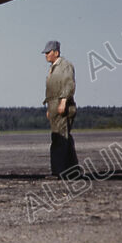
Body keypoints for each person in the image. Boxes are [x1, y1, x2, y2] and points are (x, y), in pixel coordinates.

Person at [43, 40, 79, 177]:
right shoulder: (53, 67)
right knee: (64, 138)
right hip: (54, 107)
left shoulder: (65, 66)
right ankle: (73, 171)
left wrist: (63, 102)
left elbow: (69, 84)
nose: (46, 55)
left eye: (48, 52)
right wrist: (49, 108)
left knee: (59, 139)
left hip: (62, 106)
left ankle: (58, 171)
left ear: (56, 52)